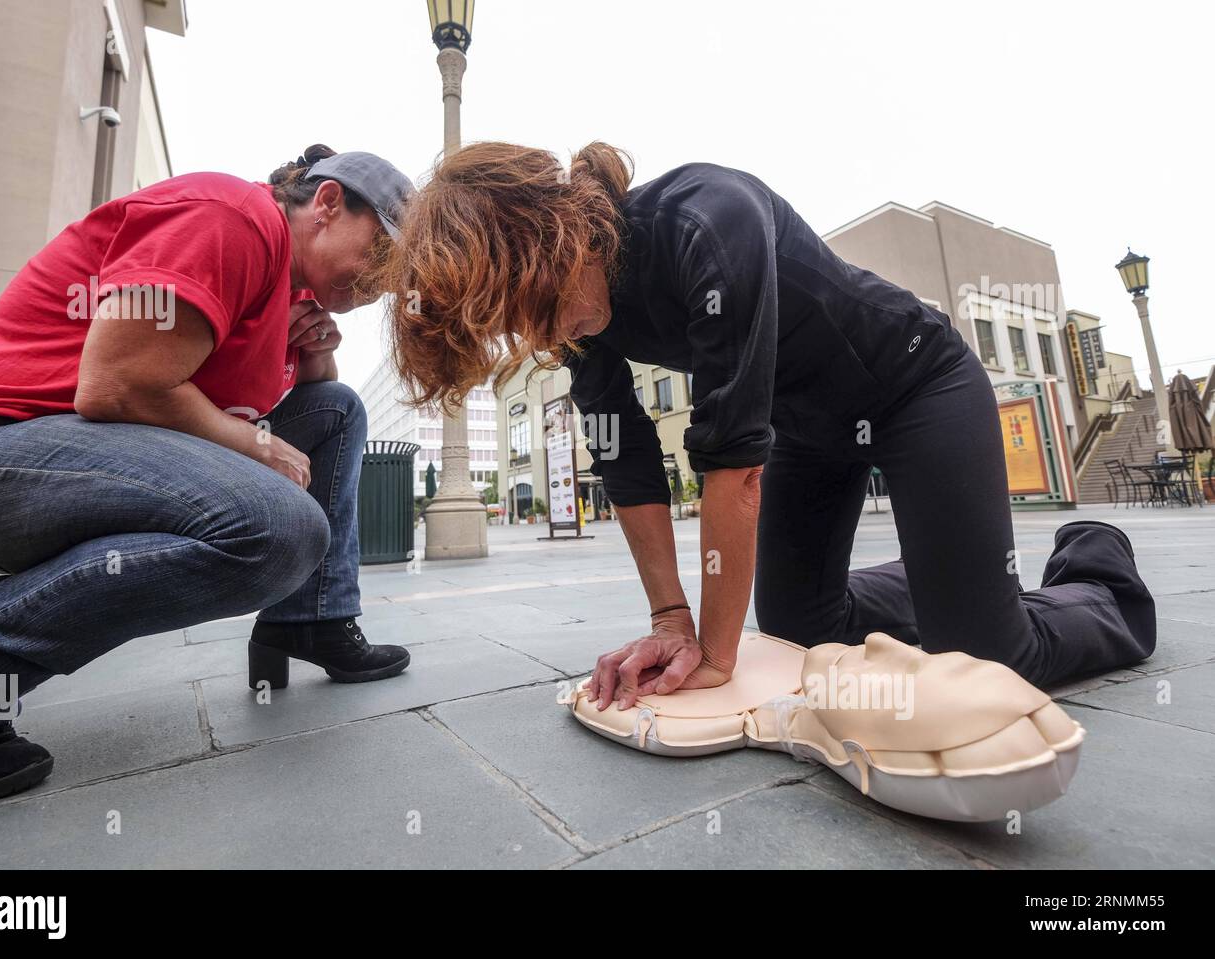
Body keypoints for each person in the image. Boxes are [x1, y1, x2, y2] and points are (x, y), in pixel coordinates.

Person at [383, 141, 1156, 714]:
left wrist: (714, 654)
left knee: (989, 659)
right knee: (798, 625)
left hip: (914, 384)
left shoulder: (706, 222)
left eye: (546, 305)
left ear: (556, 230)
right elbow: (626, 464)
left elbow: (733, 462)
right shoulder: (575, 325)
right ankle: (955, 572)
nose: (555, 329)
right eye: (531, 326)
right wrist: (669, 619)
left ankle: (1097, 566)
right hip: (811, 430)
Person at [0, 145, 412, 812]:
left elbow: (315, 417)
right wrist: (258, 444)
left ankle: (310, 619)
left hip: (49, 457)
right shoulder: (233, 219)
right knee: (277, 528)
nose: (382, 282)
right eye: (380, 254)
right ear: (326, 204)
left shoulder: (288, 297)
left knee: (339, 408)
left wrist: (313, 351)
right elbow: (117, 386)